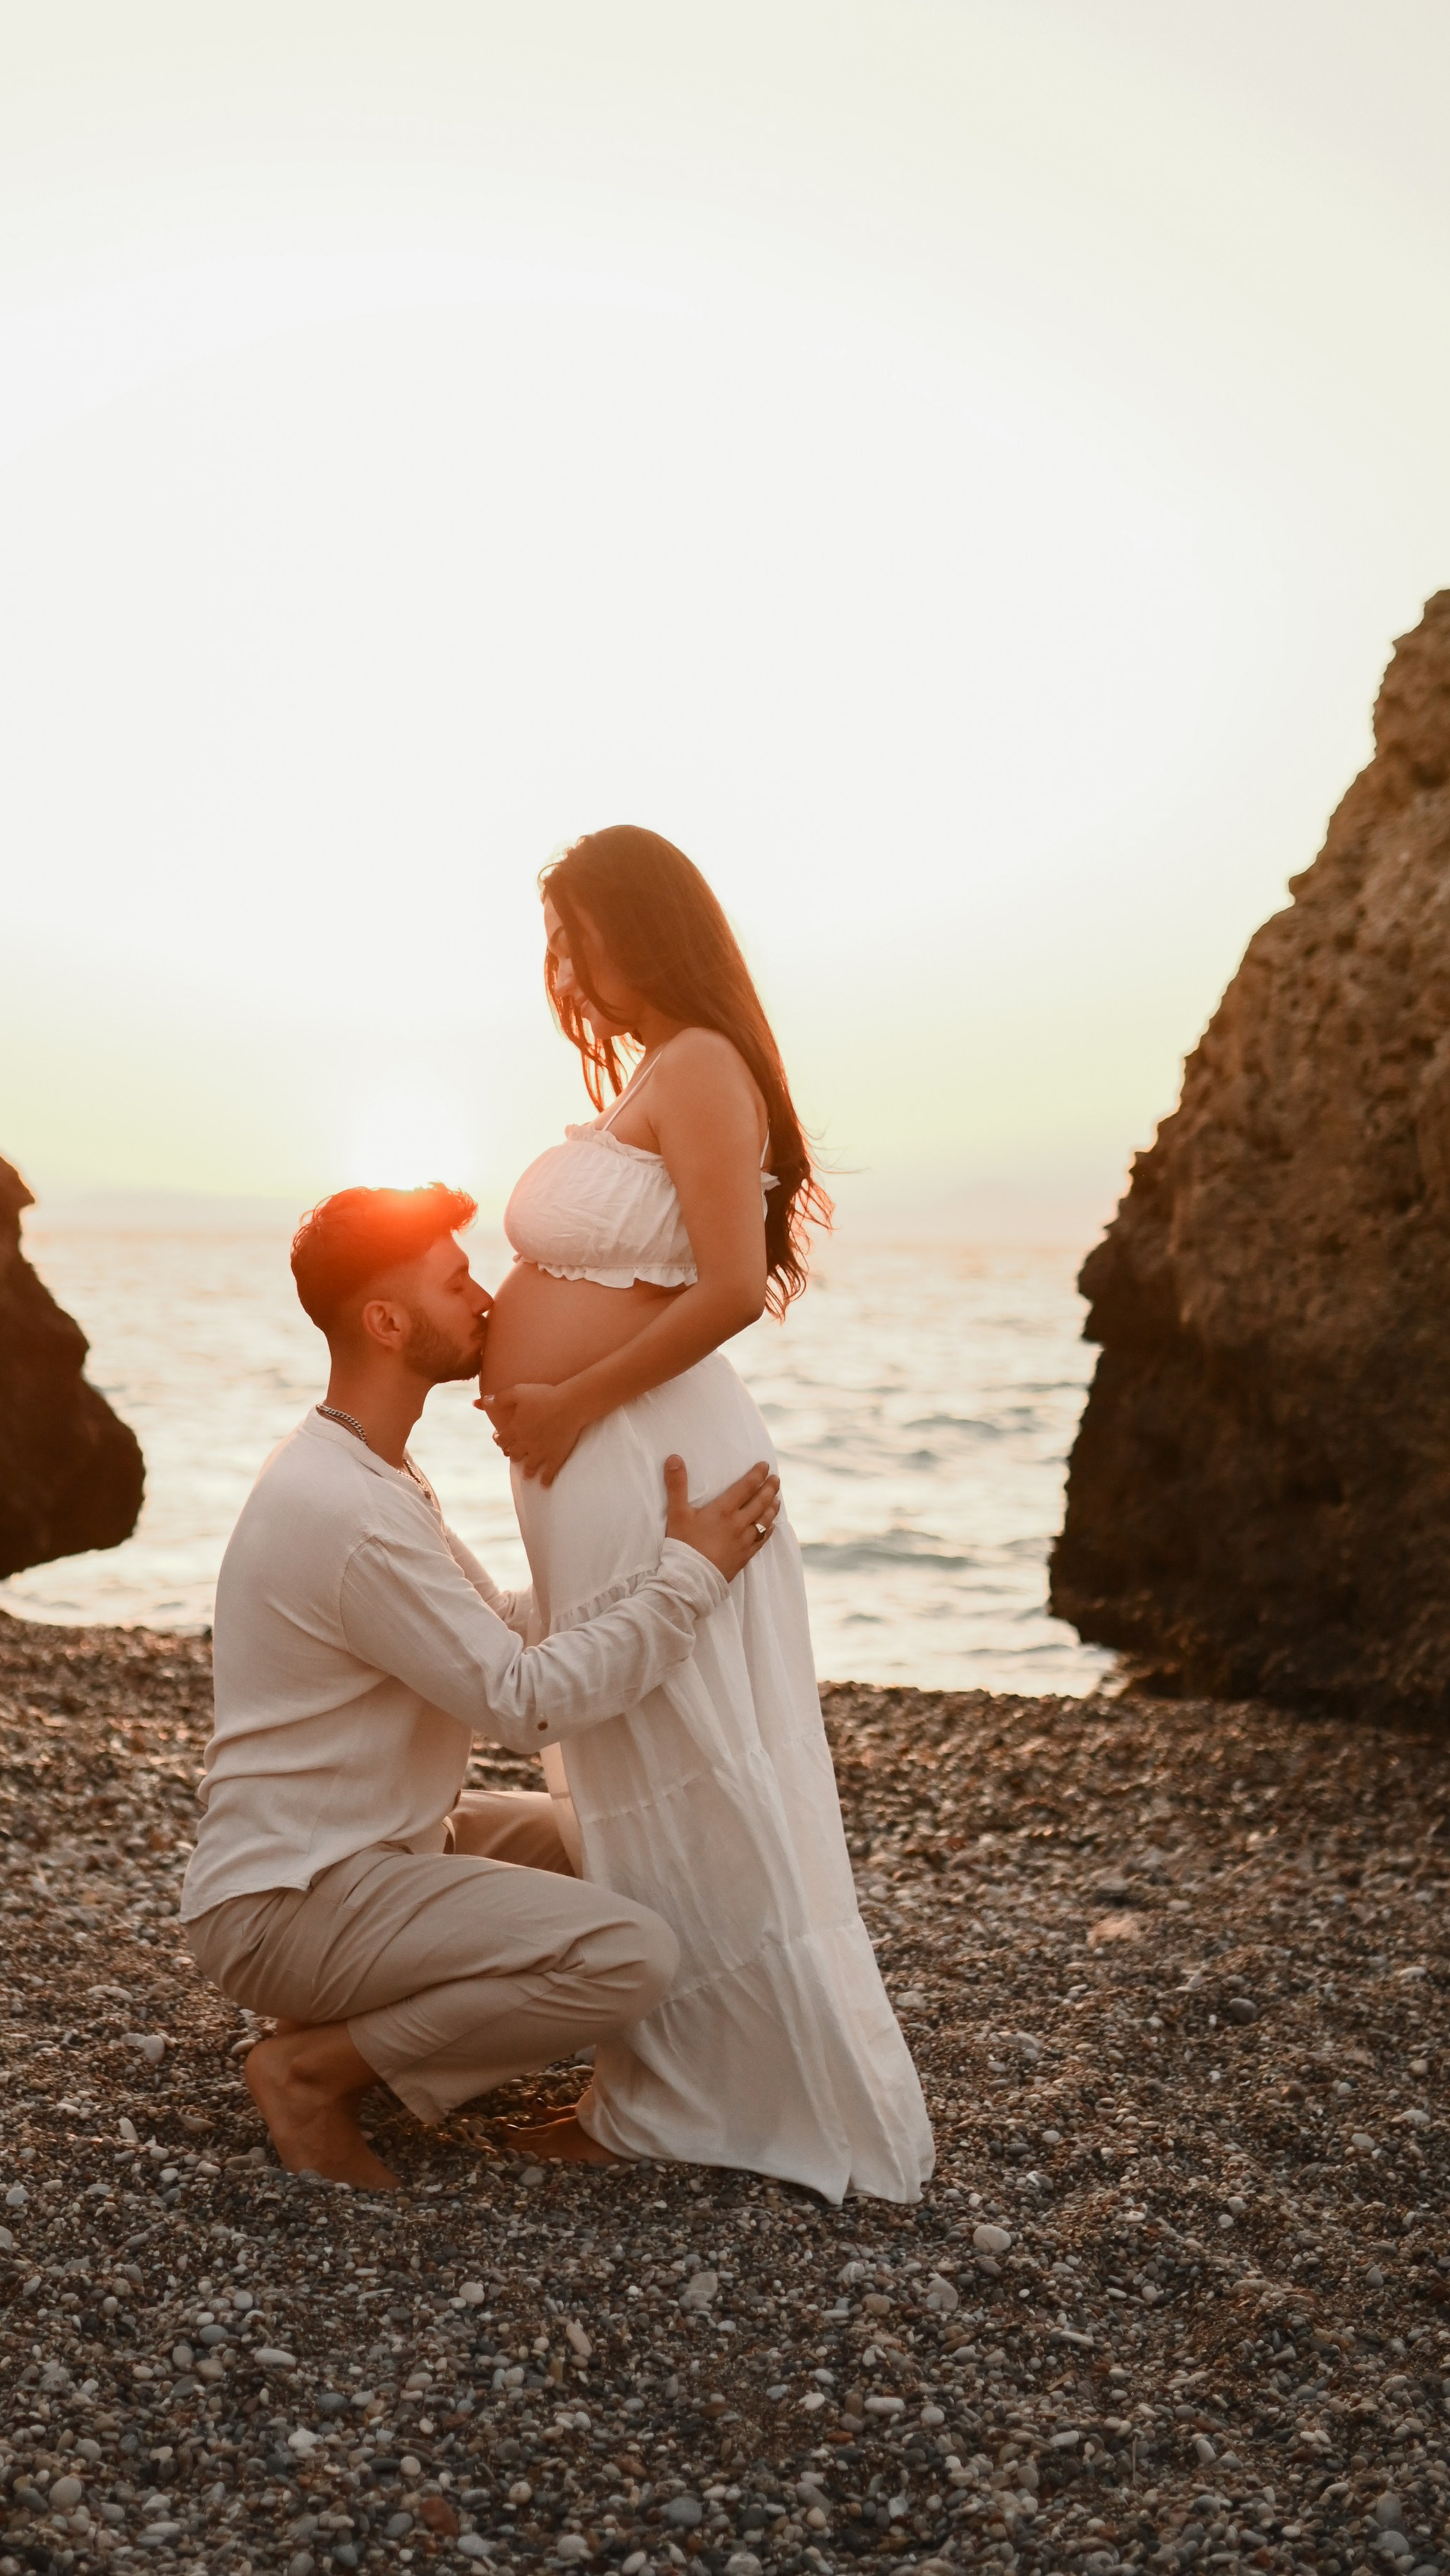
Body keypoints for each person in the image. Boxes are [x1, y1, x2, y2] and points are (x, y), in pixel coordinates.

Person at [476, 824, 933, 2203]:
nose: (565, 971)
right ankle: (656, 2083)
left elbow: (730, 1287)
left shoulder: (700, 1066)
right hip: (601, 1454)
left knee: (688, 1762)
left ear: (643, 928)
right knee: (637, 1769)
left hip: (647, 1458)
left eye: (577, 938)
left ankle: (689, 2097)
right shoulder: (661, 1070)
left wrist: (568, 1401)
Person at [178, 1180, 780, 2190]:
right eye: (456, 1283)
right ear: (386, 1322)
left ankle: (375, 2023)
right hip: (290, 1903)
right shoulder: (349, 1509)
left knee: (628, 1835)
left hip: (384, 1849)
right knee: (626, 1955)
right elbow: (521, 1702)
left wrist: (647, 1547)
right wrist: (688, 1581)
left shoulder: (368, 1469)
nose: (487, 1301)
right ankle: (310, 2073)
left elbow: (500, 1622)